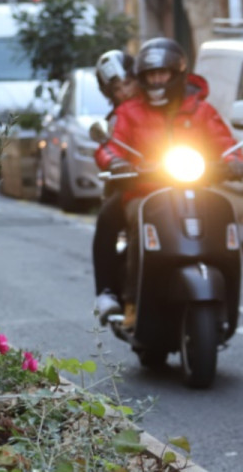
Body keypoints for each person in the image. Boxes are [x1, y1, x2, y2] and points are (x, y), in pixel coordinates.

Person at [94, 38, 243, 319]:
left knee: (222, 213)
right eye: (151, 75)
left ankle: (226, 298)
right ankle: (130, 301)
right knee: (135, 221)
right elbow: (110, 145)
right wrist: (114, 161)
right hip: (144, 192)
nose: (156, 81)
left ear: (177, 74)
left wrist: (235, 162)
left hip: (196, 190)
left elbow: (225, 142)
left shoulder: (201, 110)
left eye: (162, 74)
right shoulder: (129, 112)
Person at [91, 50, 140, 324]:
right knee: (106, 219)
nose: (124, 91)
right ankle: (106, 292)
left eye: (128, 83)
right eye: (116, 88)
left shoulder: (162, 105)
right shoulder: (117, 117)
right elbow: (105, 149)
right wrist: (116, 162)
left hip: (177, 181)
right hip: (133, 186)